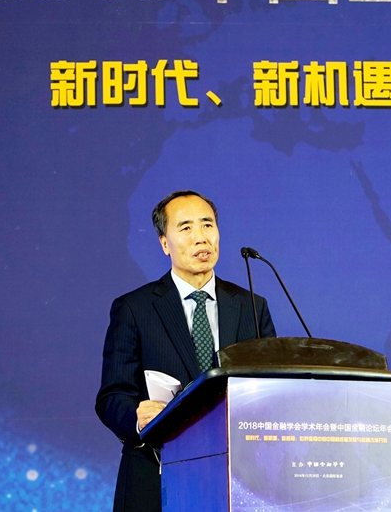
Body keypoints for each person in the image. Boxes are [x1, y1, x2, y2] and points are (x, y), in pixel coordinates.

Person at [95, 190, 276, 512]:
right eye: (186, 227)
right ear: (165, 243)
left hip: (236, 479)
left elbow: (271, 389)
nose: (200, 237)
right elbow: (112, 397)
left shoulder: (251, 306)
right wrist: (136, 417)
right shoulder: (135, 308)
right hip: (157, 474)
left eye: (207, 225)